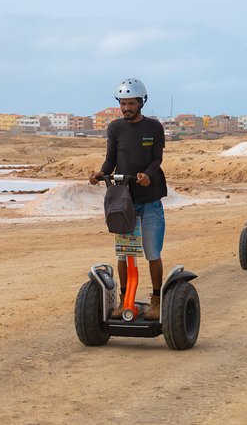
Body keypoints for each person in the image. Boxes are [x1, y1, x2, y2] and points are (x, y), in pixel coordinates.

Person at [88, 78, 167, 320]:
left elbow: (157, 159)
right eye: (123, 104)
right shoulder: (115, 128)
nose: (126, 109)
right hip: (125, 202)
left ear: (141, 102)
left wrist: (148, 175)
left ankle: (156, 301)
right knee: (123, 254)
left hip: (150, 199)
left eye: (131, 103)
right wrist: (101, 173)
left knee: (152, 253)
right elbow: (111, 159)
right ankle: (126, 300)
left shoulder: (154, 127)